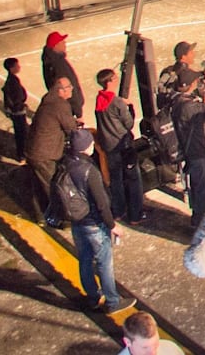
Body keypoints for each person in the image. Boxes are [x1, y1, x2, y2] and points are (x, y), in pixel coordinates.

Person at [65, 129, 136, 314]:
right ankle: (113, 301)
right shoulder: (89, 171)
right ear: (85, 148)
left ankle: (93, 297)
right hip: (94, 224)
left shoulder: (65, 163)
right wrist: (112, 226)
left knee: (85, 260)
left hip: (77, 221)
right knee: (104, 262)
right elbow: (102, 203)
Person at [95, 68, 146, 225]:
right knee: (133, 178)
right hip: (122, 145)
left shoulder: (99, 100)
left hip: (109, 146)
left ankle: (118, 211)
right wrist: (129, 107)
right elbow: (129, 123)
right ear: (110, 81)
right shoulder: (116, 102)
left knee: (116, 179)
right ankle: (136, 215)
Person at [171, 69, 205, 229]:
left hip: (188, 150)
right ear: (191, 84)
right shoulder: (190, 106)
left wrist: (203, 95)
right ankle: (204, 226)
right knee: (204, 192)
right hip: (198, 152)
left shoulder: (177, 102)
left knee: (197, 189)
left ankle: (197, 218)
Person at [27, 74, 79, 216]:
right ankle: (58, 216)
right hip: (45, 154)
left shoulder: (48, 99)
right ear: (61, 90)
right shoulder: (60, 105)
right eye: (69, 87)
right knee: (53, 186)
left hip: (33, 149)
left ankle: (40, 215)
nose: (72, 89)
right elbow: (71, 129)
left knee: (38, 185)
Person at [41, 30, 85, 122]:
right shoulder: (59, 64)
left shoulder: (49, 60)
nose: (65, 43)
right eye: (62, 42)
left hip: (62, 104)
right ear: (56, 45)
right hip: (68, 106)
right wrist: (79, 113)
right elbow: (69, 87)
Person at [119, 311, 186, 355]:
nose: (153, 353)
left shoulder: (171, 348)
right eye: (145, 347)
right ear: (127, 342)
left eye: (155, 344)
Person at [2, 56, 29, 158]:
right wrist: (21, 106)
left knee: (20, 132)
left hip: (16, 110)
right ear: (12, 68)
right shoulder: (13, 82)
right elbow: (18, 97)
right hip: (18, 111)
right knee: (22, 133)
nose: (19, 67)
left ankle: (21, 153)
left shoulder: (11, 80)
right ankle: (22, 154)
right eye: (17, 65)